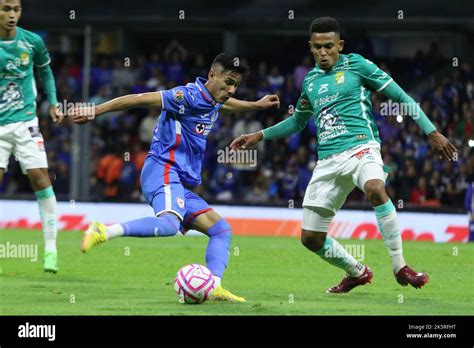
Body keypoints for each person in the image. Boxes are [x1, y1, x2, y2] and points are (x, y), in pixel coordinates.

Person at [230, 17, 457, 293]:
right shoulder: (310, 82)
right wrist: (260, 135)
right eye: (317, 47)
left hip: (362, 147)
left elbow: (400, 97)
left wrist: (431, 131)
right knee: (311, 238)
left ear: (340, 45)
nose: (323, 53)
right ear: (310, 47)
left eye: (328, 46)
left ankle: (400, 266)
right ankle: (357, 272)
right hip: (328, 160)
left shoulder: (357, 65)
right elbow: (298, 122)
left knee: (375, 187)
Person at [70, 53, 280, 302]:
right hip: (163, 168)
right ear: (212, 75)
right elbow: (138, 99)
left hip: (179, 180)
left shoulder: (214, 98)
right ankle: (103, 230)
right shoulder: (185, 96)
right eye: (228, 82)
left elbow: (225, 104)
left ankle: (213, 286)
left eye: (236, 85)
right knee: (169, 225)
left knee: (220, 229)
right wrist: (96, 110)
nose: (231, 90)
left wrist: (256, 105)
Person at [0, 0, 63, 272]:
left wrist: (53, 102)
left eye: (16, 9)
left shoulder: (32, 41)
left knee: (41, 179)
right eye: (5, 9)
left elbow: (45, 70)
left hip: (26, 122)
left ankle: (50, 250)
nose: (12, 15)